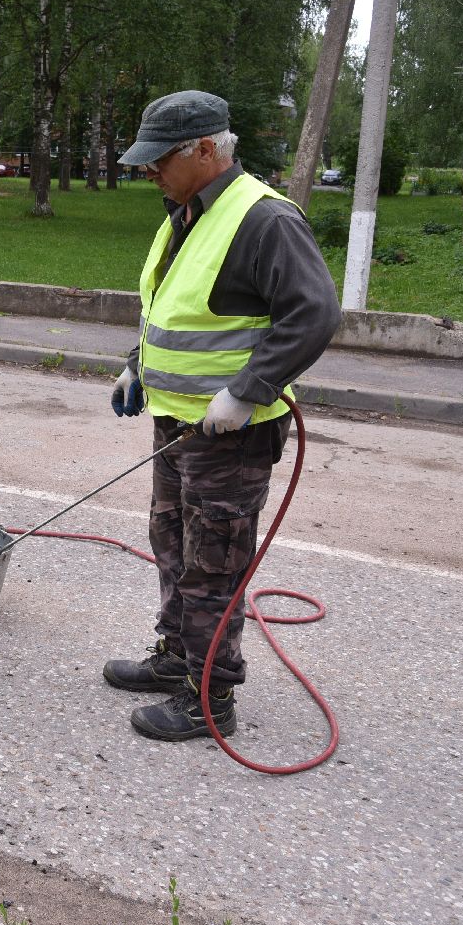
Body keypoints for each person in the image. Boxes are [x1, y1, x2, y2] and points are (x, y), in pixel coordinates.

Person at [106, 90, 341, 742]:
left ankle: (210, 700)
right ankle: (177, 659)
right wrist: (137, 364)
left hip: (230, 439)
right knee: (172, 547)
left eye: (159, 160)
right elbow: (174, 311)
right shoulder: (184, 213)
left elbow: (313, 312)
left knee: (214, 565)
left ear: (206, 150)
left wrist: (247, 391)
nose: (149, 171)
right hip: (177, 424)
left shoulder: (263, 220)